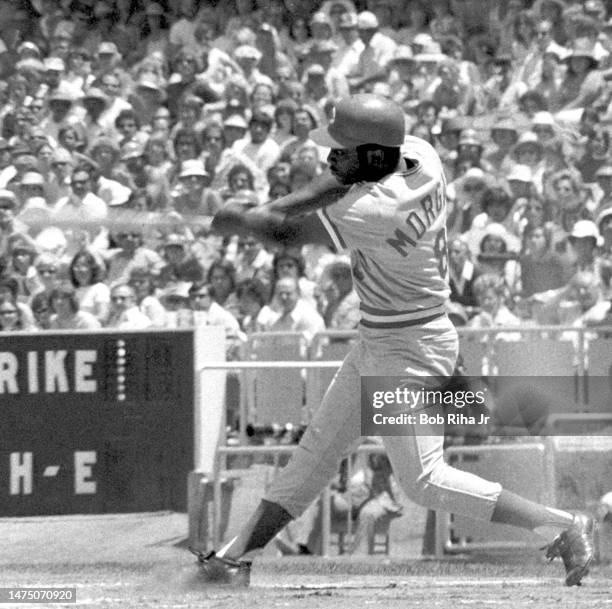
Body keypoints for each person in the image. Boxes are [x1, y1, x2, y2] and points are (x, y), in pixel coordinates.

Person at [200, 93, 594, 587]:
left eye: (342, 148)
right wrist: (262, 209)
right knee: (316, 454)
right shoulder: (420, 155)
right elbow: (329, 185)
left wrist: (227, 219)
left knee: (424, 480)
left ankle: (564, 524)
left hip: (408, 352)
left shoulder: (374, 210)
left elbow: (281, 235)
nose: (331, 156)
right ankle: (234, 559)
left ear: (371, 155)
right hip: (387, 338)